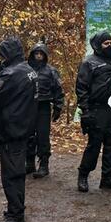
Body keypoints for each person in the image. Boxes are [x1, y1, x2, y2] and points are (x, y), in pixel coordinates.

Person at [0, 37, 37, 222]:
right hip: (22, 128)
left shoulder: (10, 74)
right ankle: (16, 210)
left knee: (11, 175)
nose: (0, 58)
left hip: (11, 130)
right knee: (16, 172)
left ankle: (16, 214)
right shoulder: (29, 70)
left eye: (2, 54)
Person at [76, 32, 111, 192]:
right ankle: (83, 175)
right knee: (94, 145)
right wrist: (85, 110)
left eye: (110, 42)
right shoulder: (89, 63)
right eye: (105, 43)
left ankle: (107, 177)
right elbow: (81, 88)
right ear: (97, 45)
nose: (109, 45)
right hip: (96, 109)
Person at [27, 42, 64, 178]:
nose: (38, 56)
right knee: (28, 135)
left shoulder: (51, 71)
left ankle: (44, 165)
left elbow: (58, 89)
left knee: (43, 136)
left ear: (45, 55)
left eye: (41, 54)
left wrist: (58, 106)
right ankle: (29, 163)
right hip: (28, 106)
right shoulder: (25, 69)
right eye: (36, 53)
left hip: (43, 106)